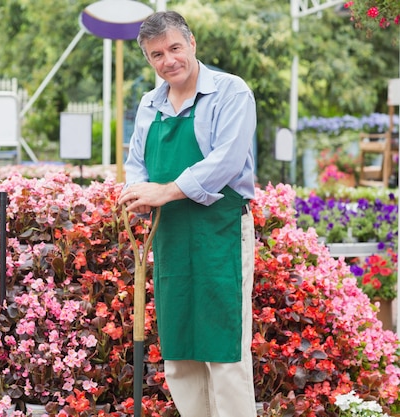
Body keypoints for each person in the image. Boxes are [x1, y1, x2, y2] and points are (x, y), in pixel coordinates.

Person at [117, 10, 257, 417]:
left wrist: (165, 190)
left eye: (175, 48)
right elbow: (136, 162)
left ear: (192, 43)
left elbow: (226, 162)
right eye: (156, 55)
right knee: (179, 351)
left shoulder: (231, 92)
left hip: (221, 232)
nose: (168, 61)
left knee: (224, 351)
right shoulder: (150, 102)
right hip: (171, 233)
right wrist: (136, 193)